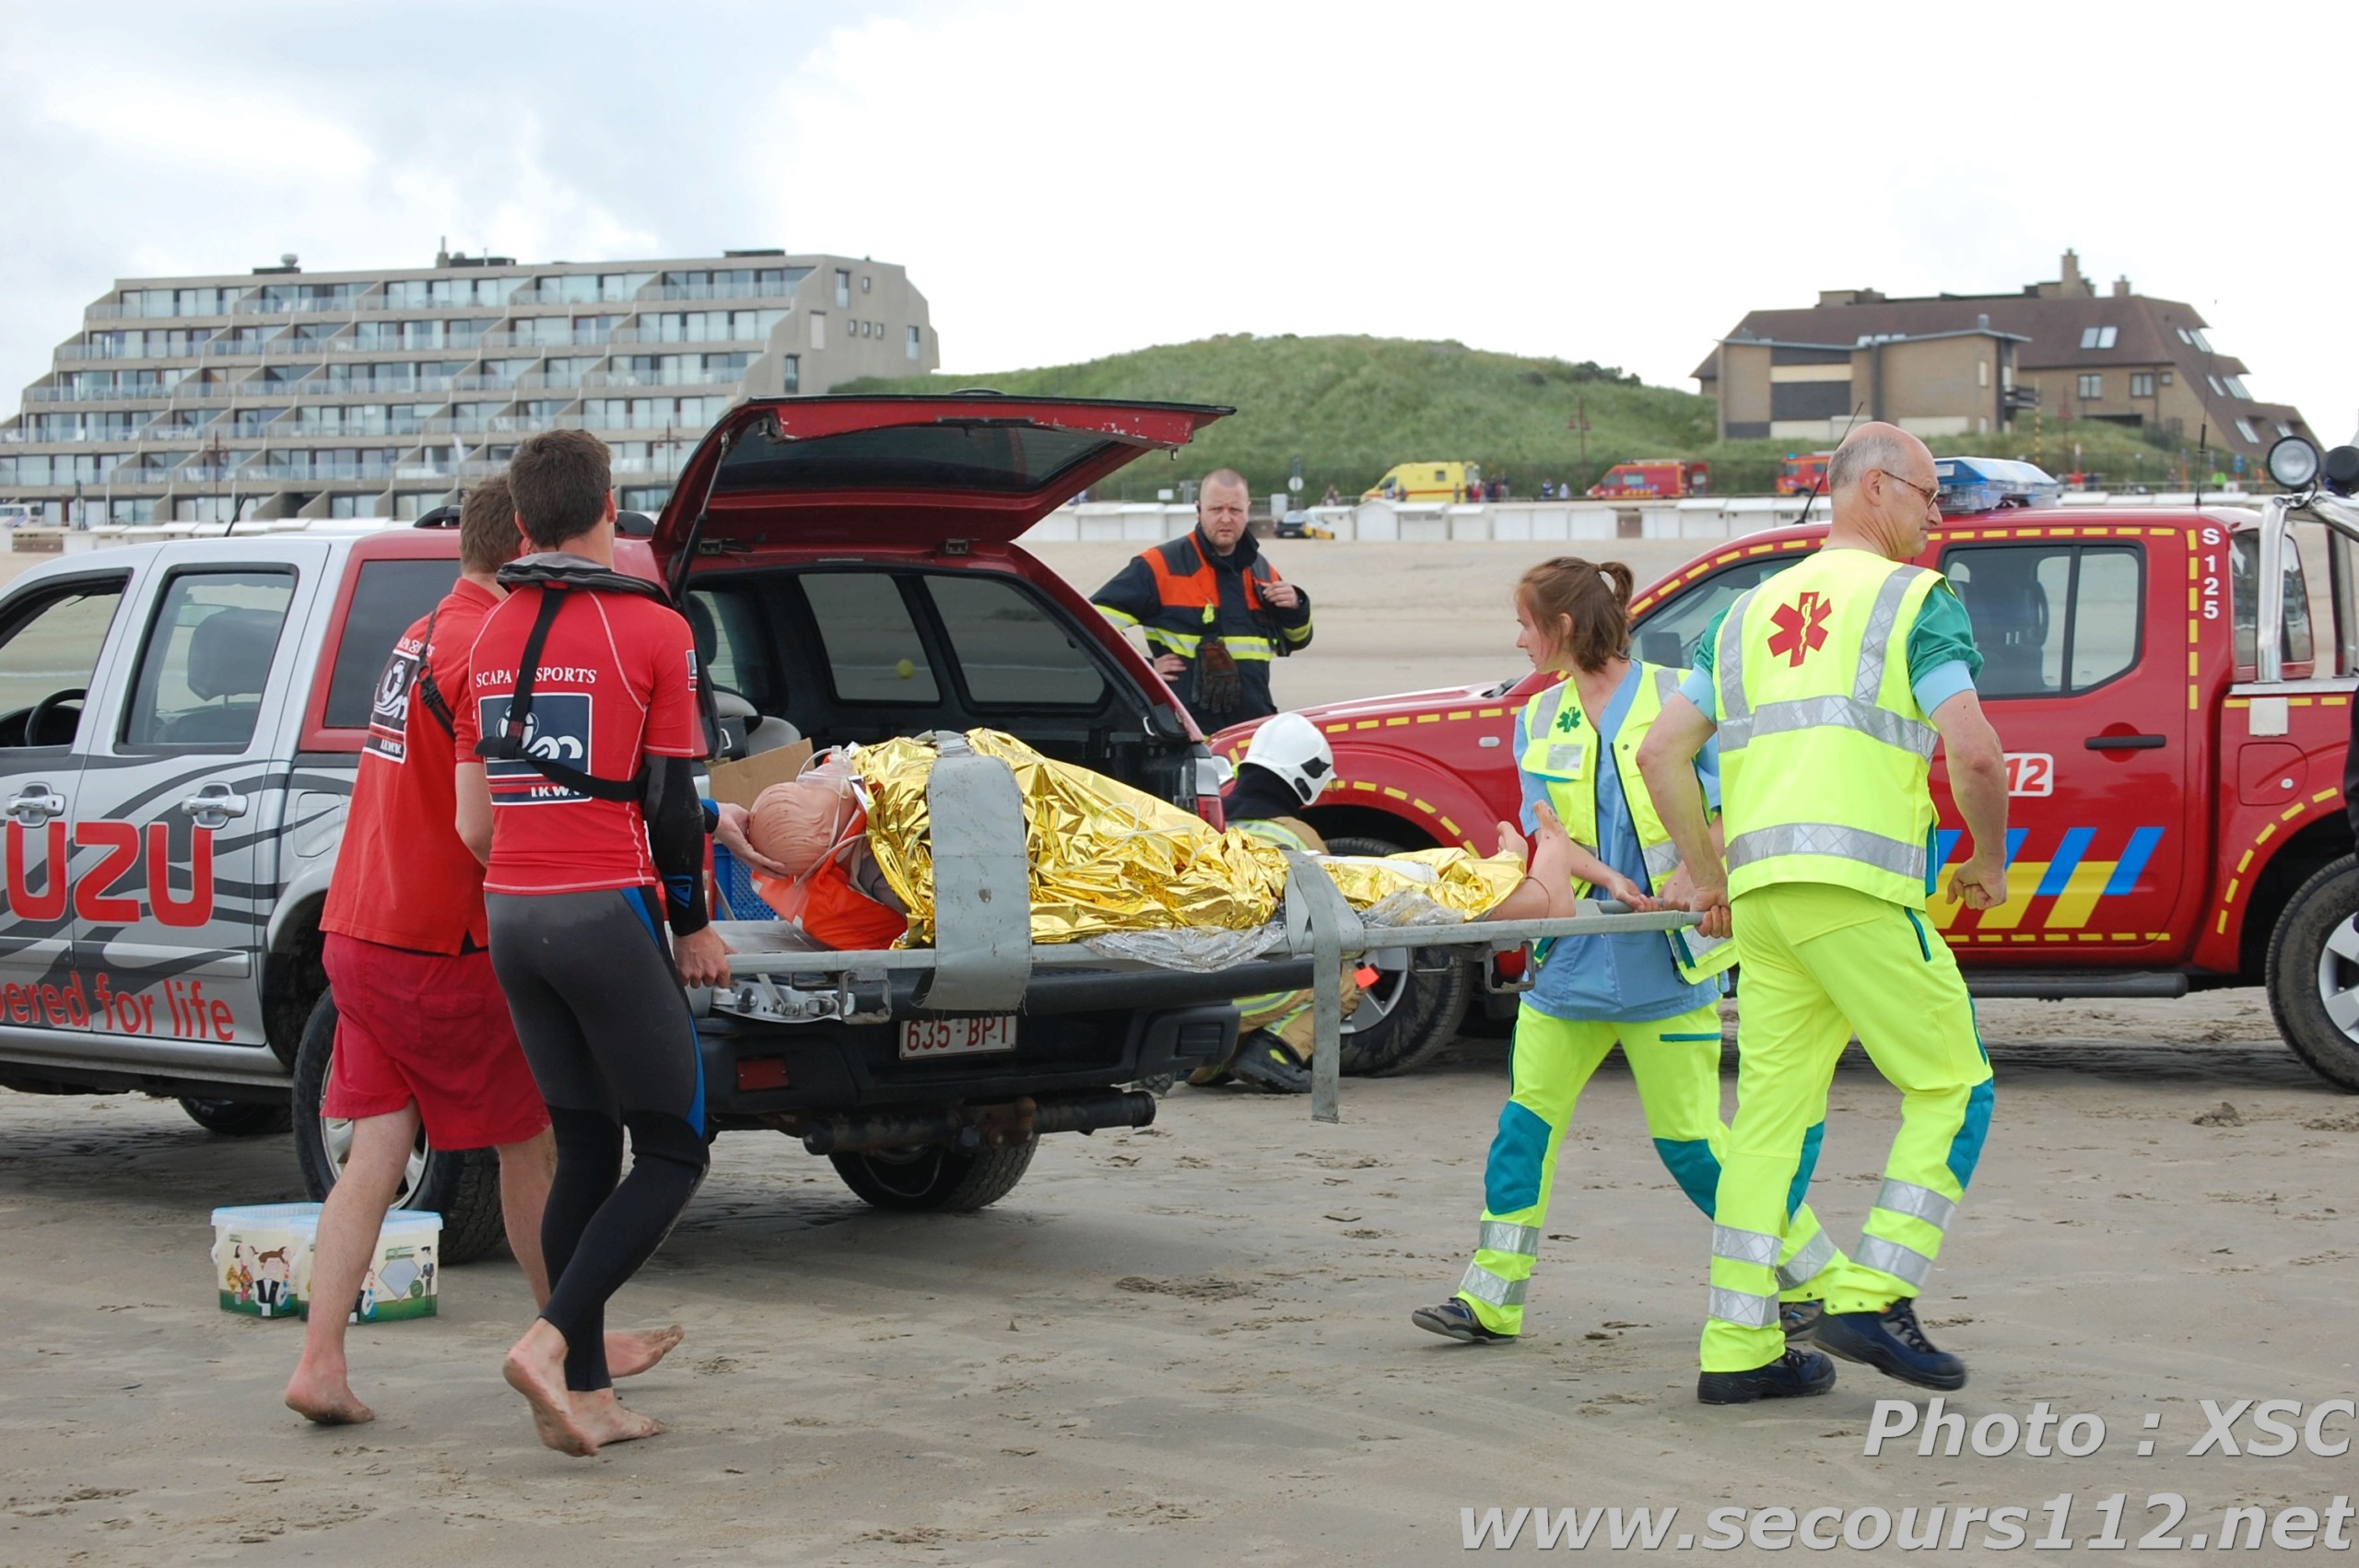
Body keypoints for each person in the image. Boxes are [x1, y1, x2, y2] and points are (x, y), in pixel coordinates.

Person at [284, 479, 680, 1427]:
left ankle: (320, 1360)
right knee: (532, 1143)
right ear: (528, 550)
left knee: (377, 1145)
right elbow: (492, 820)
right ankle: (569, 1341)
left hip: (359, 926)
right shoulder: (485, 645)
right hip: (442, 940)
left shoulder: (424, 630)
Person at [1637, 423, 2007, 1406]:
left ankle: (1737, 1348)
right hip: (1856, 892)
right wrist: (1988, 856)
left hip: (1763, 903)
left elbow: (1661, 753)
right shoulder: (1915, 603)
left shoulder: (1747, 611)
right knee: (1952, 1084)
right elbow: (1974, 753)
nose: (1938, 516)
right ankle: (1876, 1291)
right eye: (1929, 495)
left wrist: (1706, 876)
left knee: (1766, 1123)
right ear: (1875, 487)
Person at [1412, 557, 1850, 1348]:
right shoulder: (1537, 720)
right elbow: (1553, 840)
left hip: (1666, 967)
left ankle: (1818, 1277)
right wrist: (1604, 873)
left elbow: (1739, 810)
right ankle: (1488, 1299)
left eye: (1526, 625)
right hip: (1571, 964)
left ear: (1566, 628)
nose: (1518, 641)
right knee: (1523, 1131)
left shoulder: (1678, 697)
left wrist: (1697, 870)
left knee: (1694, 1150)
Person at [452, 429, 733, 1457]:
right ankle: (551, 1336)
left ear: (521, 524)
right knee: (674, 1145)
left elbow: (478, 816)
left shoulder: (487, 635)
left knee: (585, 1146)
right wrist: (694, 922)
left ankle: (588, 1393)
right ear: (610, 506)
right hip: (599, 910)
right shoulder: (650, 628)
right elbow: (667, 799)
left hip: (513, 913)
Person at [1090, 468, 1312, 732]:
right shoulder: (1160, 566)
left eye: (1235, 510)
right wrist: (1143, 670)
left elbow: (1296, 640)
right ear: (1199, 510)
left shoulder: (1262, 571)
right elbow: (1090, 623)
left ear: (1248, 510)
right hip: (1187, 731)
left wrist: (1296, 607)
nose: (1226, 518)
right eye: (1216, 509)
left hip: (1251, 729)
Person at [1197, 713, 1347, 1094]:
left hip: (1197, 993)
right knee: (1354, 973)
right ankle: (1277, 1051)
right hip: (1266, 990)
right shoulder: (1297, 837)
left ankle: (1211, 1061)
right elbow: (1336, 921)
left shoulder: (1208, 827)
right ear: (1305, 775)